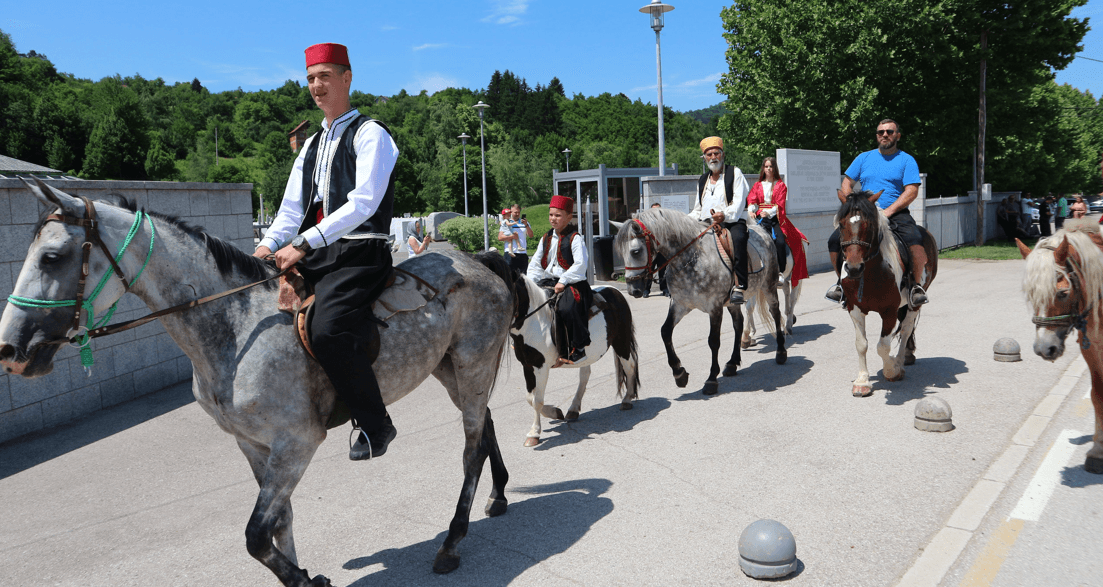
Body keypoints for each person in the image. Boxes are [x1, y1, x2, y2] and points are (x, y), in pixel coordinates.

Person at [253, 42, 399, 461]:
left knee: (328, 329)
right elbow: (290, 210)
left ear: (347, 79)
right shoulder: (312, 144)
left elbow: (364, 203)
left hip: (360, 254)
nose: (316, 86)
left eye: (325, 77)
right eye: (311, 79)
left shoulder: (372, 133)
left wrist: (302, 243)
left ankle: (375, 423)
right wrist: (266, 247)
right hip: (317, 254)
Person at [826, 119, 928, 308]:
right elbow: (847, 183)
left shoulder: (906, 160)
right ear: (876, 135)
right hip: (865, 215)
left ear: (897, 135)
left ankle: (915, 286)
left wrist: (888, 211)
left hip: (895, 214)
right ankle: (841, 283)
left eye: (889, 131)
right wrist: (853, 206)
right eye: (880, 132)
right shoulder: (863, 158)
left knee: (915, 239)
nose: (885, 135)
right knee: (834, 240)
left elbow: (912, 190)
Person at [528, 195, 592, 363]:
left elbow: (580, 264)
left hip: (572, 282)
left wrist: (563, 281)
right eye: (551, 215)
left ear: (569, 217)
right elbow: (535, 263)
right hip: (548, 281)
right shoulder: (546, 238)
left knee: (566, 308)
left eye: (558, 215)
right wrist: (530, 283)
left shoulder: (575, 238)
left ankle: (578, 348)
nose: (553, 219)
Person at [692, 136, 751, 305]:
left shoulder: (735, 173)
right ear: (704, 158)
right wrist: (683, 221)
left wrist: (724, 215)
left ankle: (740, 285)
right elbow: (697, 209)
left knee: (738, 238)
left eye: (716, 153)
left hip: (732, 221)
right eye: (709, 154)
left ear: (722, 154)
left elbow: (739, 202)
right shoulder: (702, 180)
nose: (713, 157)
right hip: (706, 223)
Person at [746, 156, 809, 288]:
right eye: (766, 166)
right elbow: (752, 200)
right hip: (760, 218)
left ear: (775, 168)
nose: (768, 169)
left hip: (776, 219)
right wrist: (751, 210)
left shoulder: (781, 185)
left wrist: (767, 212)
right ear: (763, 168)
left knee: (779, 241)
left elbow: (780, 205)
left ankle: (780, 272)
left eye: (771, 166)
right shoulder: (757, 185)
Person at [498, 203, 534, 274]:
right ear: (511, 212)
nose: (517, 214)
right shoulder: (506, 222)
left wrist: (526, 225)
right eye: (515, 212)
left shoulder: (525, 223)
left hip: (522, 254)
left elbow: (531, 235)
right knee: (509, 276)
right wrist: (511, 237)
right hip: (510, 254)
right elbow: (500, 237)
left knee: (523, 277)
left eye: (518, 212)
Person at [649, 202, 670, 297]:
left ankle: (664, 289)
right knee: (650, 270)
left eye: (658, 209)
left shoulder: (665, 222)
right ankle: (646, 289)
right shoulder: (648, 222)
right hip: (652, 252)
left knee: (663, 271)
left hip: (662, 251)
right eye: (654, 209)